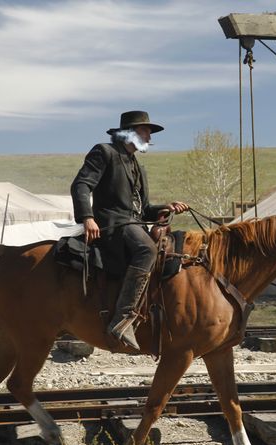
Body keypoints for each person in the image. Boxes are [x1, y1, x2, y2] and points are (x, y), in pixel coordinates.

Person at [70, 110, 189, 350]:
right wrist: (87, 217)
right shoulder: (104, 152)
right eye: (145, 131)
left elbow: (143, 210)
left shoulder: (138, 168)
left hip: (131, 223)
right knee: (147, 250)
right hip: (112, 224)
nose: (148, 137)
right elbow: (81, 184)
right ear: (129, 133)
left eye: (148, 133)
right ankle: (123, 318)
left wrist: (166, 207)